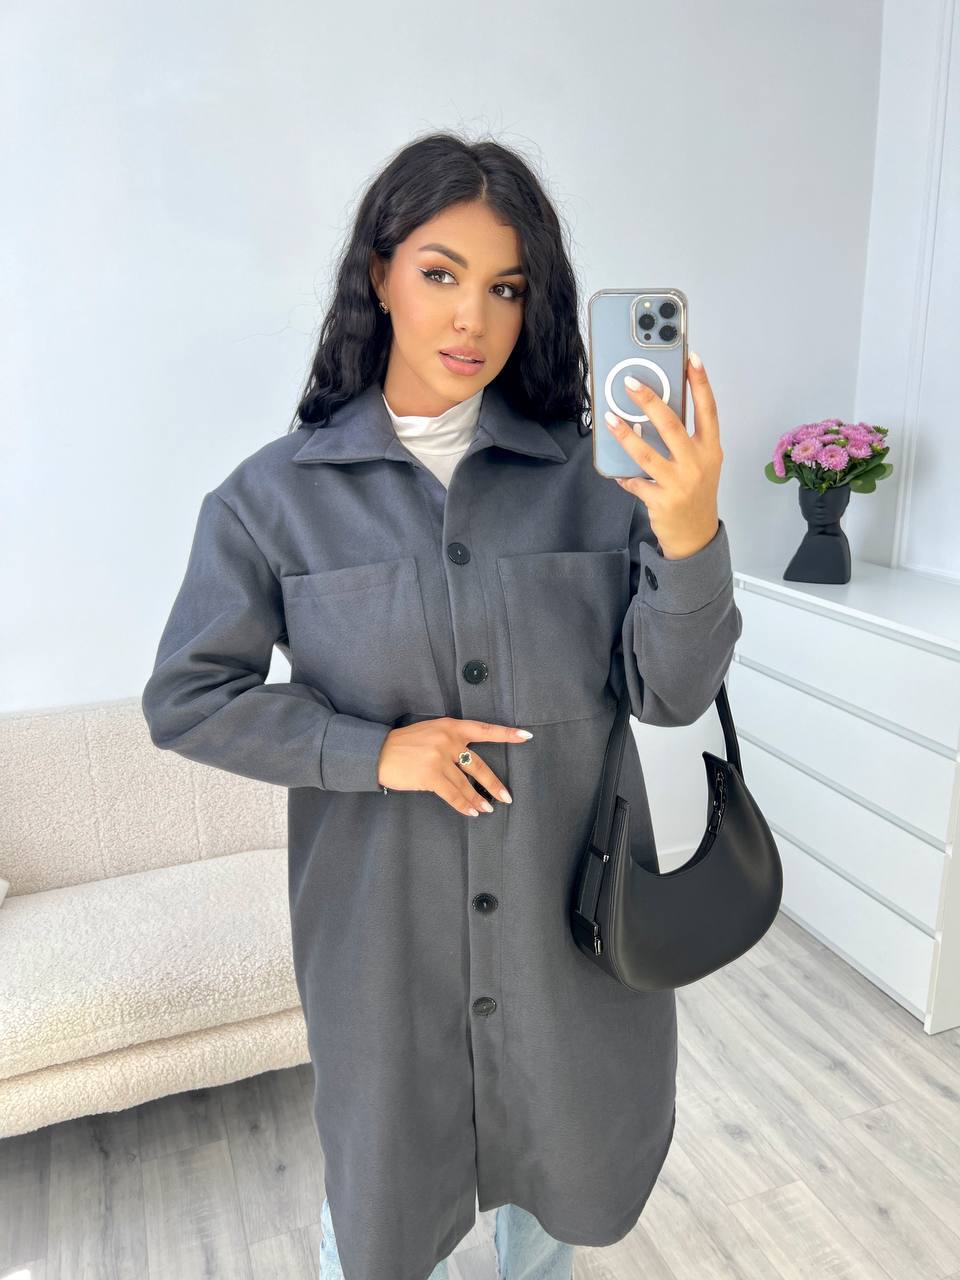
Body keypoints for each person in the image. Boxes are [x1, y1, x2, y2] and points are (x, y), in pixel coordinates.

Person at [141, 129, 741, 1280]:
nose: (473, 317)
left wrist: (689, 530)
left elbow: (673, 691)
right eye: (440, 272)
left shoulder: (598, 483)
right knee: (374, 1221)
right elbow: (189, 698)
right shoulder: (271, 500)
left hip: (567, 947)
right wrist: (373, 751)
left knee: (550, 1215)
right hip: (383, 952)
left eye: (506, 287)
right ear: (380, 275)